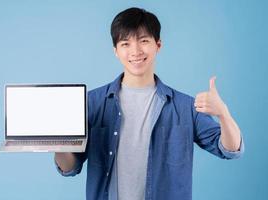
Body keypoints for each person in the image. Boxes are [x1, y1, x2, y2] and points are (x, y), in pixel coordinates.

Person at [54, 7, 244, 200]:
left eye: (144, 41)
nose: (135, 51)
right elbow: (69, 167)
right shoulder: (92, 103)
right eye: (125, 43)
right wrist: (58, 141)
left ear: (158, 45)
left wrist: (223, 114)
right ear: (116, 51)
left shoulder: (185, 107)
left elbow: (229, 150)